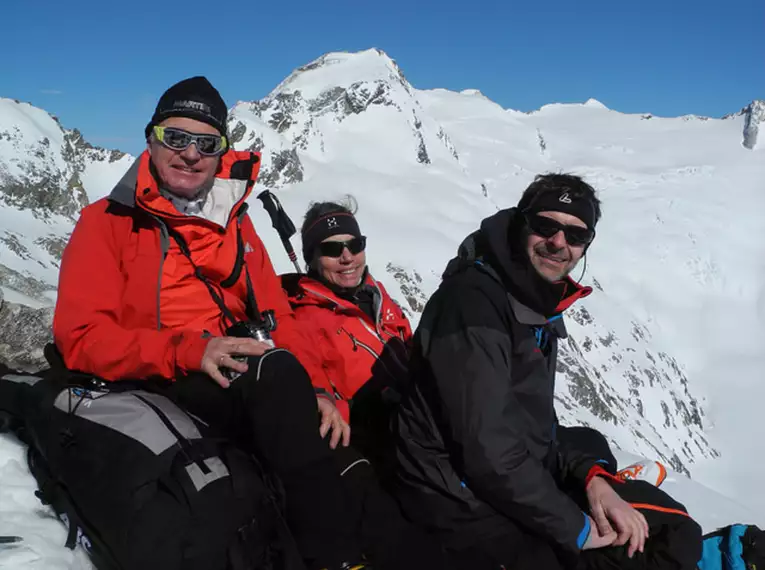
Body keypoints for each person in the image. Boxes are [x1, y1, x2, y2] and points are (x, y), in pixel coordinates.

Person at [53, 76, 366, 570]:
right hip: (162, 374)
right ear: (151, 140)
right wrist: (189, 352)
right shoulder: (107, 222)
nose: (190, 154)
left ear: (222, 152)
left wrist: (322, 390)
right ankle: (336, 560)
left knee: (336, 433)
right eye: (175, 137)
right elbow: (81, 338)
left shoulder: (236, 219)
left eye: (207, 142)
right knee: (277, 377)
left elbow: (278, 317)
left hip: (240, 372)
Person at [393, 174, 702, 569]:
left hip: (500, 482)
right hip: (456, 500)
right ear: (522, 223)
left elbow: (530, 420)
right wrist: (575, 525)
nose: (559, 243)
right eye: (545, 226)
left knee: (673, 529)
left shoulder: (528, 293)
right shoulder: (473, 304)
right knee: (639, 553)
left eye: (576, 235)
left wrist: (591, 477)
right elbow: (486, 449)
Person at [281, 199, 411, 468]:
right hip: (382, 446)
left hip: (420, 423)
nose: (347, 257)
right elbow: (318, 401)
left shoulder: (377, 296)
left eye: (355, 245)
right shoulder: (302, 320)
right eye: (331, 249)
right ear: (312, 259)